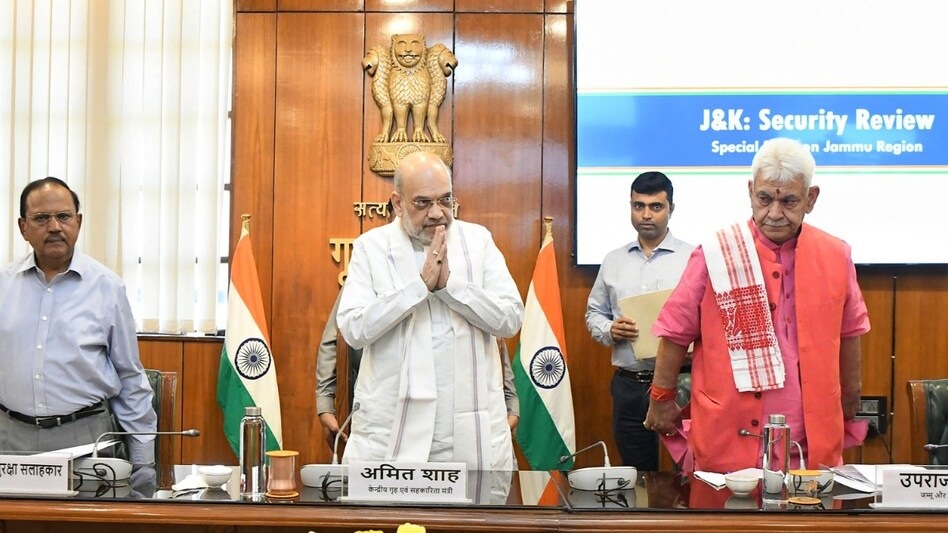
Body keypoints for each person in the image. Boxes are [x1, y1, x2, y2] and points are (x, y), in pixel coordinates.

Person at [644, 138, 870, 473]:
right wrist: (661, 398)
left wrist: (851, 395)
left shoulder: (836, 255)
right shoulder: (716, 253)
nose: (775, 214)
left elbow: (850, 332)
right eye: (765, 199)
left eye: (789, 201)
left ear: (811, 198)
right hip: (727, 438)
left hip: (810, 441)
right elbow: (675, 333)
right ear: (751, 192)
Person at [336, 151, 523, 471]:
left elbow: (510, 319)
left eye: (445, 200)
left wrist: (451, 287)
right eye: (422, 203)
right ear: (397, 203)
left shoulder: (478, 241)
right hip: (389, 436)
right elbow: (353, 329)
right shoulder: (371, 247)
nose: (437, 213)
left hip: (470, 438)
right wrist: (418, 288)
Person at [0, 177, 157, 464]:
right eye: (41, 218)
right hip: (11, 437)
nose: (54, 227)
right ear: (23, 227)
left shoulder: (107, 288)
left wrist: (143, 462)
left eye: (63, 216)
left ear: (78, 222)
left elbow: (130, 377)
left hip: (85, 437)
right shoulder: (3, 286)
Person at [585, 171, 694, 471]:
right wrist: (610, 329)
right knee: (637, 474)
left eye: (656, 207)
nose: (646, 215)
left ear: (671, 209)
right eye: (639, 206)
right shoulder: (613, 260)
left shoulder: (692, 258)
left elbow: (710, 319)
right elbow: (593, 314)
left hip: (682, 382)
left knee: (687, 472)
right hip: (630, 385)